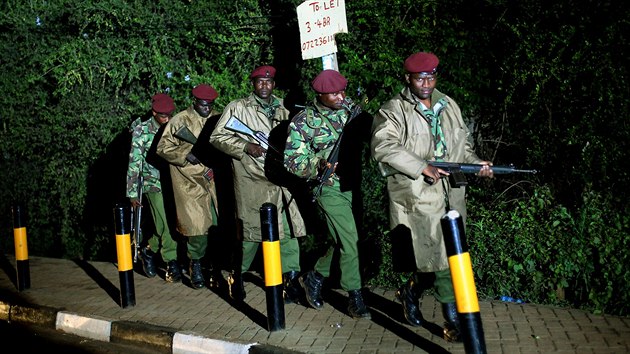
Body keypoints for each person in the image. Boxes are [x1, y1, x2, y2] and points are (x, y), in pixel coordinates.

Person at [370, 52, 493, 341]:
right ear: (408, 78)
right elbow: (383, 146)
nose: (426, 83)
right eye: (419, 77)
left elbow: (462, 144)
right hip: (418, 194)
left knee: (443, 254)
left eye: (431, 76)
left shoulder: (448, 104)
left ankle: (410, 291)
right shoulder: (393, 110)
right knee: (443, 256)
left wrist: (477, 164)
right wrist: (422, 165)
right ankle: (453, 320)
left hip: (451, 192)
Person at [209, 65, 306, 304]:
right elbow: (217, 137)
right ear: (253, 83)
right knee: (251, 235)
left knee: (288, 231)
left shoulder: (284, 108)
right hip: (251, 179)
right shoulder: (238, 108)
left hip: (281, 179)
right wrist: (245, 147)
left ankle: (290, 280)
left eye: (269, 81)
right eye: (260, 81)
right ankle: (237, 277)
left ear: (274, 83)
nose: (265, 86)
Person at [283, 69, 371, 319]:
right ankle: (355, 297)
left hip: (352, 184)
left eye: (343, 91)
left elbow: (374, 132)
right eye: (334, 93)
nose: (340, 96)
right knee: (350, 241)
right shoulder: (304, 121)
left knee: (345, 239)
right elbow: (292, 161)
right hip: (328, 188)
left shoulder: (350, 109)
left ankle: (315, 276)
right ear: (320, 95)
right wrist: (318, 164)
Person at [156, 84, 221, 290]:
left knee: (217, 226)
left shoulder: (218, 118)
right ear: (194, 101)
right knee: (197, 229)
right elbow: (163, 147)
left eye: (210, 104)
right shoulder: (179, 120)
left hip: (215, 182)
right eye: (203, 104)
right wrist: (185, 155)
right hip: (189, 182)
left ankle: (213, 266)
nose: (207, 108)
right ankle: (196, 265)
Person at [126, 93, 181, 283]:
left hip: (174, 183)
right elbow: (134, 163)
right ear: (154, 112)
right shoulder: (142, 131)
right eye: (164, 115)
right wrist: (132, 194)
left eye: (170, 114)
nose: (167, 118)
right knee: (166, 224)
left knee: (169, 223)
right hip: (153, 183)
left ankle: (147, 250)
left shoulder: (174, 127)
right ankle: (171, 263)